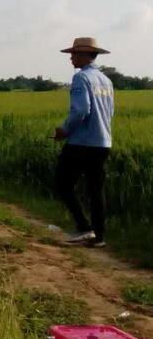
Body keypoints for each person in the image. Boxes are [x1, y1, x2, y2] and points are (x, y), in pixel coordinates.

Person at [54, 37, 114, 248]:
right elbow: (109, 112)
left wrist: (64, 130)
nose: (71, 58)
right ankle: (99, 236)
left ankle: (83, 228)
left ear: (86, 55)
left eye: (74, 54)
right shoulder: (106, 81)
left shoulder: (81, 78)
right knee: (96, 190)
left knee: (62, 183)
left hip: (82, 143)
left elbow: (80, 110)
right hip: (103, 142)